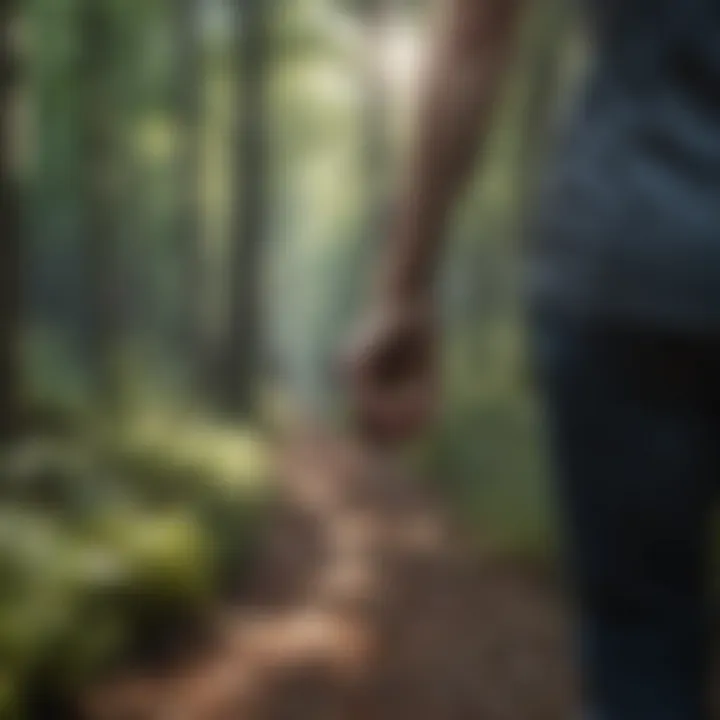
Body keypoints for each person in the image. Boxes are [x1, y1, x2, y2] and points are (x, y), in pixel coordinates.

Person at [344, 1, 720, 718]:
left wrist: (404, 287)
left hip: (625, 263)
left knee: (641, 648)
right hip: (623, 274)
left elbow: (474, 36)